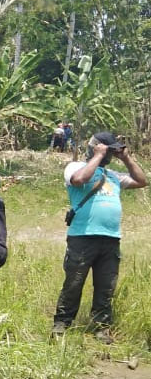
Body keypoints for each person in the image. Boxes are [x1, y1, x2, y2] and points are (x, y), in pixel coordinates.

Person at [52, 132, 147, 343]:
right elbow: (79, 180)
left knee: (106, 286)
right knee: (74, 283)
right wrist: (97, 156)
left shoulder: (113, 175)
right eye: (106, 149)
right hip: (83, 237)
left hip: (111, 238)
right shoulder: (75, 167)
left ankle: (101, 328)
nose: (108, 154)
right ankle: (61, 325)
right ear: (94, 147)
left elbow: (141, 181)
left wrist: (125, 158)